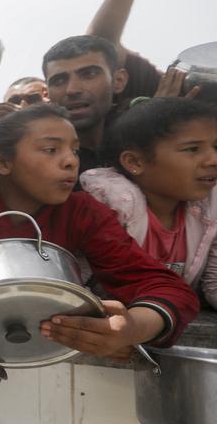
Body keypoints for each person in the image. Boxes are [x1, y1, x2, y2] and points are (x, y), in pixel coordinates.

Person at [0, 105, 199, 357]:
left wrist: (133, 328)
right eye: (51, 149)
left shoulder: (82, 211)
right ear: (3, 163)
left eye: (74, 150)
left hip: (51, 345)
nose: (71, 161)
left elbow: (166, 287)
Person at [0, 35, 129, 189]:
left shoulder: (139, 137)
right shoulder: (14, 158)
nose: (72, 89)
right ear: (48, 91)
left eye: (89, 74)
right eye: (59, 80)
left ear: (118, 81)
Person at [82, 98, 217, 307]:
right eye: (192, 149)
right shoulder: (108, 208)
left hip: (163, 319)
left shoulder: (210, 208)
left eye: (216, 147)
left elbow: (213, 283)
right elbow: (73, 281)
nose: (213, 159)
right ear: (135, 162)